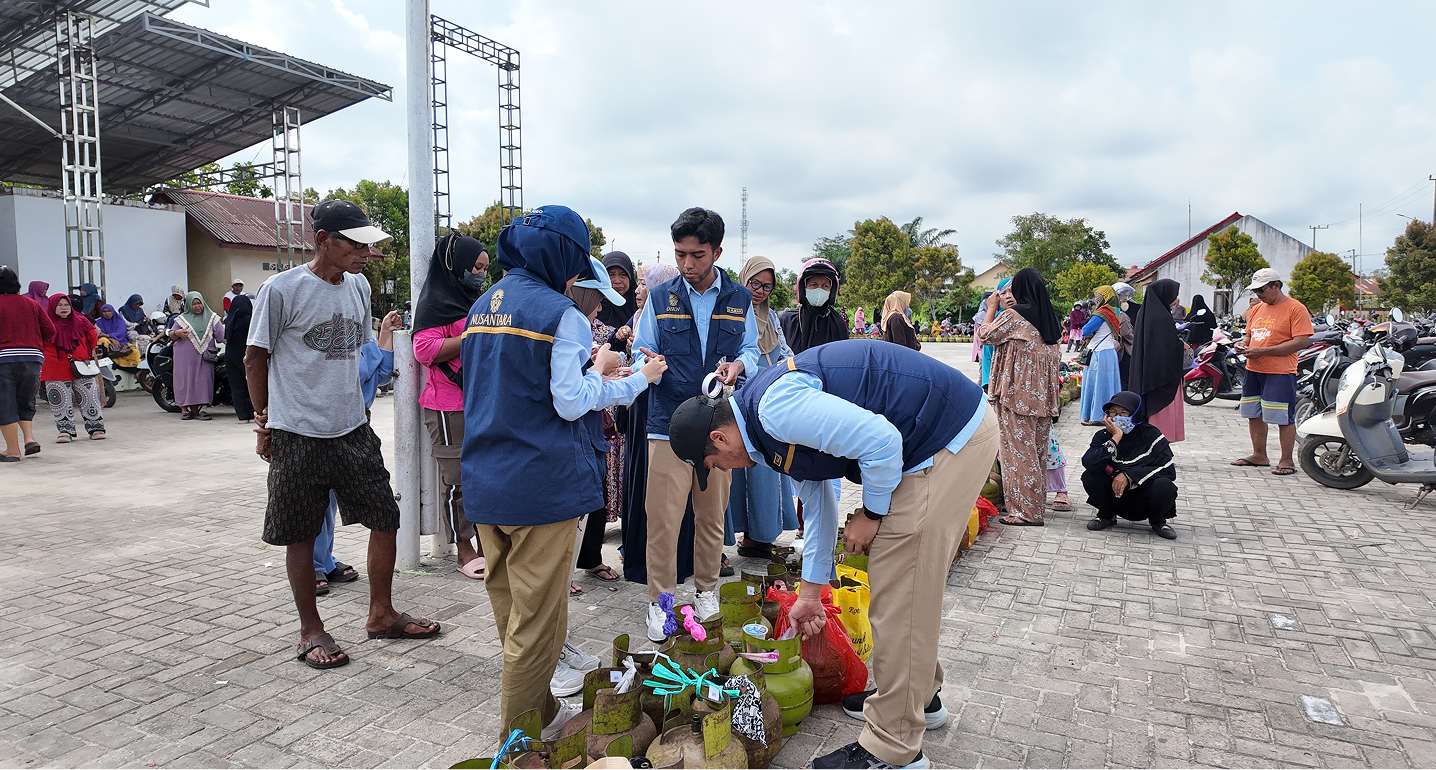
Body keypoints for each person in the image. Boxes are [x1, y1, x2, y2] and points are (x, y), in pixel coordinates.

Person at [669, 339, 998, 770]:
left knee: (902, 592)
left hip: (948, 439)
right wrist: (809, 592)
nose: (722, 469)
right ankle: (918, 698)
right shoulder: (761, 419)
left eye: (714, 463)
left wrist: (872, 512)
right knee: (900, 586)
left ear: (719, 437)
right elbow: (819, 504)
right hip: (946, 432)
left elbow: (882, 443)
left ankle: (894, 748)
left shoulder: (774, 411)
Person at [459, 204, 666, 735]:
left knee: (511, 613)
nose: (576, 276)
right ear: (559, 258)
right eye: (575, 263)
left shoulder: (485, 303)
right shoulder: (561, 314)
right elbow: (572, 402)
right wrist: (636, 380)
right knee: (538, 626)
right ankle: (520, 739)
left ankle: (544, 712)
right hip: (541, 485)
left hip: (486, 478)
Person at [246, 198, 440, 671]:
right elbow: (255, 357)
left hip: (353, 427)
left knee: (385, 517)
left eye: (367, 245)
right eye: (355, 244)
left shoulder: (358, 286)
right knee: (301, 531)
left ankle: (381, 614)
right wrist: (263, 417)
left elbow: (362, 349)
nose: (365, 253)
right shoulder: (281, 290)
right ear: (323, 242)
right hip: (297, 433)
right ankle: (310, 629)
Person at [630, 208, 757, 641]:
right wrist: (646, 361)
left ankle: (706, 592)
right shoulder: (660, 296)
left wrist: (740, 365)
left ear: (717, 252)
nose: (688, 264)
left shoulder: (740, 300)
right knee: (662, 520)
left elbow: (754, 352)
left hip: (719, 428)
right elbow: (641, 348)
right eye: (681, 254)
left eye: (697, 255)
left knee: (712, 517)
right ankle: (661, 603)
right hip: (666, 425)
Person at [620, 263, 706, 588]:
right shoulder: (643, 315)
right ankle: (646, 563)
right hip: (647, 407)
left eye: (645, 283)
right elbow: (642, 360)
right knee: (650, 488)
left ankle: (675, 564)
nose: (640, 290)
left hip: (666, 406)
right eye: (641, 284)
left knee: (670, 492)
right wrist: (646, 362)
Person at [412, 233, 489, 580]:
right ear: (455, 267)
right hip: (447, 405)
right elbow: (424, 350)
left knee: (483, 474)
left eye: (485, 268)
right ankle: (463, 548)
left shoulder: (476, 300)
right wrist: (470, 337)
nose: (480, 274)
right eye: (475, 267)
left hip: (481, 400)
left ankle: (487, 541)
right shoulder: (435, 305)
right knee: (456, 479)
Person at [313, 310, 401, 596]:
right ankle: (314, 566)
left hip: (359, 425)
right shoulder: (329, 340)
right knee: (317, 503)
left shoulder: (362, 340)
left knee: (336, 503)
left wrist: (385, 333)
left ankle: (325, 560)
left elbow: (384, 373)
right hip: (323, 425)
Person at [725, 256, 798, 558]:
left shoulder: (773, 318)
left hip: (770, 401)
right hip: (742, 399)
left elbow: (783, 351)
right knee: (740, 468)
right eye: (755, 283)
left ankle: (760, 538)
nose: (760, 291)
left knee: (767, 468)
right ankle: (739, 536)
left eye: (767, 286)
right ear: (744, 279)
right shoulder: (730, 313)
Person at [982, 268, 1062, 527]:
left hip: (1016, 396)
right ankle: (1035, 509)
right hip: (1042, 399)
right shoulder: (1050, 320)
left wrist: (991, 307)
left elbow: (985, 335)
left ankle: (1024, 513)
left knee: (1017, 455)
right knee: (1036, 454)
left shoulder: (1014, 317)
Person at [1231, 268, 1312, 476]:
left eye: (1262, 289)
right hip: (1253, 369)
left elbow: (1301, 341)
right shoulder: (1257, 309)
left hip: (1280, 372)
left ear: (1277, 286)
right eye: (1256, 290)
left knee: (1282, 417)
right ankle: (1259, 455)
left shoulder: (1296, 309)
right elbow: (1250, 336)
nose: (1258, 294)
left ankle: (1286, 460)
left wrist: (1264, 351)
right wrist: (1242, 344)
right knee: (1253, 414)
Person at [1081, 390, 1178, 540]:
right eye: (1113, 412)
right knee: (1090, 476)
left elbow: (1168, 470)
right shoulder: (1103, 436)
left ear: (1136, 414)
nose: (1117, 417)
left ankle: (1158, 521)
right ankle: (1106, 515)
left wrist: (1129, 475)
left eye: (1124, 412)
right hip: (1116, 496)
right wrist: (1116, 438)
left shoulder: (1150, 434)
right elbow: (1089, 463)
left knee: (1165, 485)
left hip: (1144, 496)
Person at [0, 266, 54, 462]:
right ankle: (29, 439)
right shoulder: (31, 304)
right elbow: (49, 330)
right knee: (25, 400)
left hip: (4, 359)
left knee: (5, 403)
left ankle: (12, 451)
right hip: (32, 358)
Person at [41, 295, 104, 442]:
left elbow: (92, 338)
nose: (63, 308)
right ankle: (65, 431)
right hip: (55, 366)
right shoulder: (44, 324)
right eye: (59, 305)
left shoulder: (82, 321)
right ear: (52, 306)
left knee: (89, 396)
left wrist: (84, 353)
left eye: (66, 305)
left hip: (81, 365)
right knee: (59, 399)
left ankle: (96, 428)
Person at [1130, 279, 1185, 442]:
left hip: (1147, 375)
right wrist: (1181, 345)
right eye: (1174, 295)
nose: (1175, 299)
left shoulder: (1145, 313)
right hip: (1161, 379)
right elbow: (1166, 347)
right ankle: (1161, 442)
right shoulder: (1162, 318)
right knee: (1163, 414)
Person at [167, 292, 223, 421]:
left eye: (199, 303)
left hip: (204, 357)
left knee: (203, 381)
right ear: (188, 305)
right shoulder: (182, 319)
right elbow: (171, 335)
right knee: (185, 381)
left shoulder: (212, 318)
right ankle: (185, 409)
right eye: (194, 304)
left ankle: (201, 408)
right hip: (184, 357)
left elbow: (221, 337)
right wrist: (178, 332)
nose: (197, 306)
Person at [779, 257, 849, 354]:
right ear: (804, 288)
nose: (819, 290)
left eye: (825, 286)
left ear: (831, 291)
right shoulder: (787, 321)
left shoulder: (838, 323)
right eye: (813, 285)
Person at [1078, 286, 1123, 425]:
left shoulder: (1101, 313)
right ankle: (1110, 415)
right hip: (1109, 352)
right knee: (1109, 385)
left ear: (1105, 297)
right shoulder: (1115, 312)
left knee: (1096, 385)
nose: (1096, 299)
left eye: (1098, 296)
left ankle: (1095, 416)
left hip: (1098, 354)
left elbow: (1085, 330)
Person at [597, 251, 638, 353]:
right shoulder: (593, 307)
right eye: (611, 275)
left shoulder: (640, 307)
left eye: (623, 275)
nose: (617, 281)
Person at [225, 295, 256, 423]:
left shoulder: (230, 319)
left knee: (236, 387)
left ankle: (242, 416)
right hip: (247, 358)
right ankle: (253, 412)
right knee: (252, 386)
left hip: (230, 358)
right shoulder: (251, 320)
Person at [979, 278, 1012, 389]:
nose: (1008, 296)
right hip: (993, 379)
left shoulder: (1017, 318)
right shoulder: (997, 318)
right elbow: (984, 337)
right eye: (1003, 292)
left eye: (1012, 291)